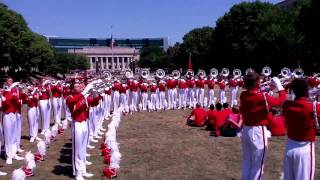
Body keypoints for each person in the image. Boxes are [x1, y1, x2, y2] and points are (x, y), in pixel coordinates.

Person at [240, 72, 286, 180]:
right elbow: (280, 100)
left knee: (247, 161)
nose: (261, 82)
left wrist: (268, 88)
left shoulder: (244, 94)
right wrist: (279, 85)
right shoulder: (262, 97)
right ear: (256, 83)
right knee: (258, 166)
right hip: (258, 131)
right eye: (259, 81)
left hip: (246, 130)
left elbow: (257, 95)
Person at [282, 78, 319, 180]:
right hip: (305, 149)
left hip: (289, 146)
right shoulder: (314, 106)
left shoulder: (286, 105)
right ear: (307, 90)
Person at [67, 81, 98, 180]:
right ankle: (78, 173)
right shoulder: (70, 98)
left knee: (83, 149)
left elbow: (95, 102)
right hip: (77, 124)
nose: (80, 86)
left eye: (80, 86)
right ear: (72, 90)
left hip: (85, 124)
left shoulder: (83, 96)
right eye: (77, 86)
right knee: (77, 150)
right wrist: (85, 91)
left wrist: (94, 92)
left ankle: (83, 170)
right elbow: (74, 101)